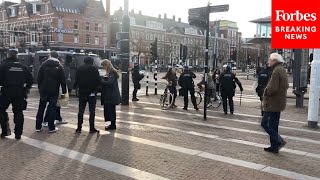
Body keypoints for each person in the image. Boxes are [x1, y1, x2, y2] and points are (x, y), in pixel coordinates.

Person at [0, 49, 33, 139]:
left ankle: (5, 130)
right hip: (19, 92)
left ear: (8, 55)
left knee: (1, 110)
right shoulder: (23, 66)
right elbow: (31, 80)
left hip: (6, 91)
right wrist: (26, 89)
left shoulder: (3, 66)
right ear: (16, 55)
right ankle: (18, 134)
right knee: (18, 112)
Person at [261, 53, 289, 153]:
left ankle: (278, 141)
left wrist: (265, 91)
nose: (268, 61)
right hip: (279, 102)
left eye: (270, 59)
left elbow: (272, 88)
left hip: (272, 102)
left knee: (264, 123)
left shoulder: (276, 71)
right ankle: (274, 147)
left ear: (274, 60)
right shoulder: (282, 69)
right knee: (273, 125)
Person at [35, 51, 67, 133]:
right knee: (52, 108)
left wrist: (40, 88)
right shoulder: (59, 66)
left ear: (50, 56)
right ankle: (51, 127)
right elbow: (63, 80)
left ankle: (38, 126)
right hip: (54, 90)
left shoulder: (43, 65)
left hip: (44, 90)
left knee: (41, 108)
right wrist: (64, 91)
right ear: (57, 57)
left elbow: (39, 78)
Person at [74, 57, 101, 133]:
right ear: (92, 62)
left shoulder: (80, 69)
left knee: (81, 110)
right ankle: (91, 128)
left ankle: (79, 127)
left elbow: (76, 80)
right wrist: (97, 89)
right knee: (92, 111)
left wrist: (75, 86)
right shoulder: (94, 69)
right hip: (91, 92)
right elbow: (98, 80)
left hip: (82, 92)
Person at [42, 57, 68, 126]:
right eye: (62, 62)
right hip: (57, 90)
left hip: (55, 89)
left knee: (57, 105)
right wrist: (64, 91)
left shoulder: (49, 67)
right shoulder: (59, 68)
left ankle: (57, 118)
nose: (63, 63)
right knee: (53, 105)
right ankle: (47, 120)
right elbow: (62, 80)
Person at [101, 59, 121, 130]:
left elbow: (110, 83)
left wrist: (102, 80)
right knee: (108, 110)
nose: (103, 67)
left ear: (107, 65)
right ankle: (110, 124)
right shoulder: (109, 72)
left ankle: (112, 125)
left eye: (104, 66)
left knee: (110, 110)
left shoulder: (112, 72)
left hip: (111, 95)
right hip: (109, 95)